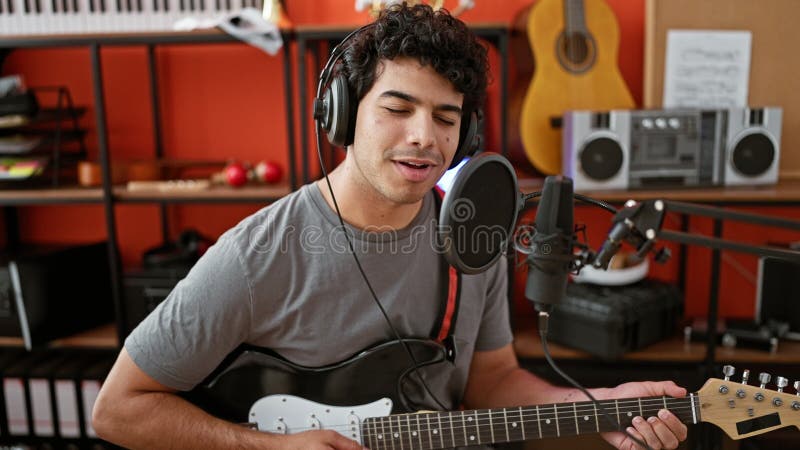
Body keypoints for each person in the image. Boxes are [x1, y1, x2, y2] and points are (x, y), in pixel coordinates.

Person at [92, 3, 689, 449]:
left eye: (445, 117)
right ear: (344, 114)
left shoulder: (472, 239)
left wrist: (598, 407)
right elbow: (117, 410)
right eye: (398, 109)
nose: (425, 136)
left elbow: (492, 380)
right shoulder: (256, 255)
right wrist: (265, 447)